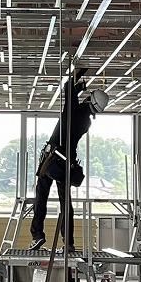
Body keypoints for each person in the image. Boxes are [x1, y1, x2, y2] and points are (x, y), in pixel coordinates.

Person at [29, 74, 109, 252]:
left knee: (41, 196)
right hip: (66, 164)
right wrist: (78, 88)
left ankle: (37, 235)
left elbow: (68, 91)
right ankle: (69, 242)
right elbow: (72, 97)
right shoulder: (86, 121)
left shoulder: (74, 112)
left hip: (51, 159)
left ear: (90, 99)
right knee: (66, 203)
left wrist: (75, 80)